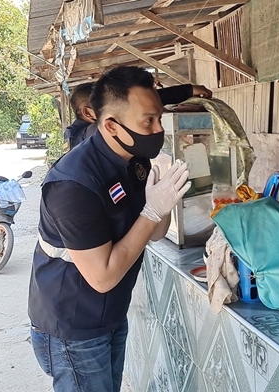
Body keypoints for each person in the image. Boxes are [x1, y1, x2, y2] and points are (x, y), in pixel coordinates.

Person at [28, 66, 192, 392]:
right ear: (112, 126)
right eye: (149, 120)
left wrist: (162, 202)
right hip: (73, 325)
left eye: (159, 117)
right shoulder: (72, 185)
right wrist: (152, 209)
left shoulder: (134, 159)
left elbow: (155, 233)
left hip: (111, 314)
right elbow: (102, 277)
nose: (158, 128)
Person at [64, 79, 213, 150]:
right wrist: (187, 90)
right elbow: (132, 107)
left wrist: (188, 91)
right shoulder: (81, 137)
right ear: (87, 112)